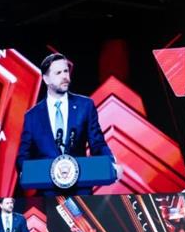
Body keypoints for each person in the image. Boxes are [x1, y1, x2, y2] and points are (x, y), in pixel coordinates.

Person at [15, 53, 117, 193]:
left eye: (66, 71)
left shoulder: (85, 106)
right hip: (48, 194)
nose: (64, 76)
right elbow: (23, 155)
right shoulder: (32, 116)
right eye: (58, 73)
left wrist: (110, 162)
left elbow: (98, 144)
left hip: (81, 191)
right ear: (46, 79)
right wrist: (25, 171)